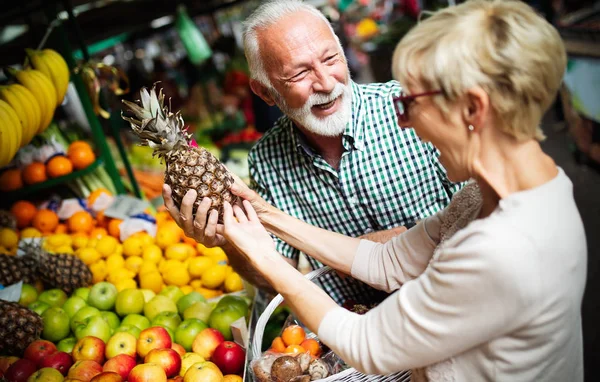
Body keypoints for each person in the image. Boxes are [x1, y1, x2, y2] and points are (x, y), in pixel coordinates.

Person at [216, 0, 587, 380]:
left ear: (473, 109)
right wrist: (266, 216)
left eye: (411, 102)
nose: (405, 122)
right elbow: (387, 261)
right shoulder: (490, 196)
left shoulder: (498, 249)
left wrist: (265, 256)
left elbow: (367, 345)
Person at [163, 0, 461, 304]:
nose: (326, 82)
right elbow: (281, 275)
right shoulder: (267, 160)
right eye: (299, 74)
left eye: (330, 59)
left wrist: (392, 247)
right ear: (265, 92)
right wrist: (229, 243)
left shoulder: (409, 108)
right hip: (359, 331)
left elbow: (490, 213)